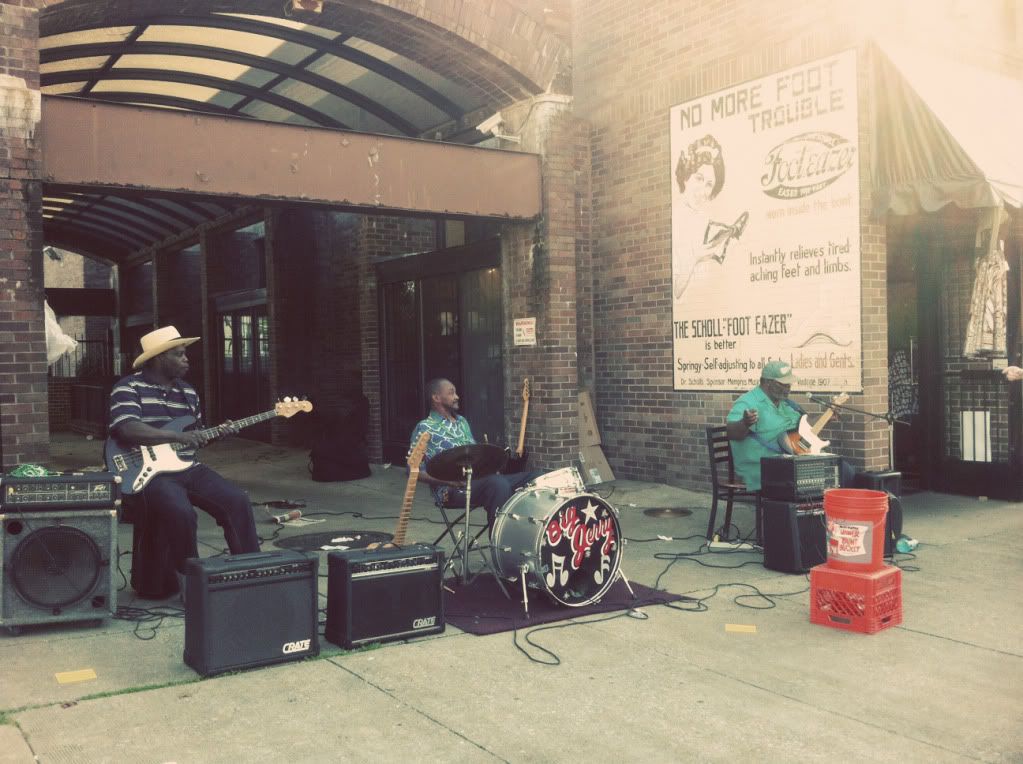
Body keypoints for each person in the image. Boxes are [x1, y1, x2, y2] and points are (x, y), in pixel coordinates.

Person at [109, 326, 261, 596]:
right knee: (181, 513)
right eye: (179, 354)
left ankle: (252, 573)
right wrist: (176, 437)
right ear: (158, 358)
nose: (186, 359)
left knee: (236, 499)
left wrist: (217, 434)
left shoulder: (188, 393)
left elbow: (195, 437)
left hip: (186, 467)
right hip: (149, 473)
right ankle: (191, 584)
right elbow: (127, 428)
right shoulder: (128, 387)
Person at [410, 378, 538, 528]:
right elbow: (414, 471)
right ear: (436, 398)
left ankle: (529, 539)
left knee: (536, 479)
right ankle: (500, 547)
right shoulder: (425, 427)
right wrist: (449, 482)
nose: (457, 396)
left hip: (481, 480)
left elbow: (474, 454)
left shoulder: (462, 421)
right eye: (451, 393)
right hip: (452, 490)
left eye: (456, 392)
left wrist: (492, 465)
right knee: (498, 485)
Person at [672, 134, 747, 299]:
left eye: (709, 184)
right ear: (685, 177)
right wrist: (696, 258)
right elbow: (675, 292)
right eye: (699, 178)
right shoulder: (675, 219)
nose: (702, 191)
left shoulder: (702, 218)